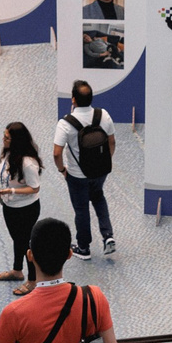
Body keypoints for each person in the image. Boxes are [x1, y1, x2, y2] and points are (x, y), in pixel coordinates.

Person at [53, 83, 118, 261]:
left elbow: (56, 152)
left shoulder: (65, 123)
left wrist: (62, 170)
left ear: (73, 99)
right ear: (91, 98)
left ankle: (83, 247)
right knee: (98, 197)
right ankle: (108, 236)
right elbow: (111, 142)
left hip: (77, 175)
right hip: (100, 172)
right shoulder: (103, 115)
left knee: (81, 209)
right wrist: (105, 162)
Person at [0, 121, 45, 292]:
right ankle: (17, 270)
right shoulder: (9, 153)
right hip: (10, 205)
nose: (3, 139)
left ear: (17, 140)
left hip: (26, 209)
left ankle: (33, 280)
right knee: (18, 240)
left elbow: (35, 187)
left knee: (26, 244)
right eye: (4, 135)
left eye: (7, 138)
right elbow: (3, 170)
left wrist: (12, 190)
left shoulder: (28, 163)